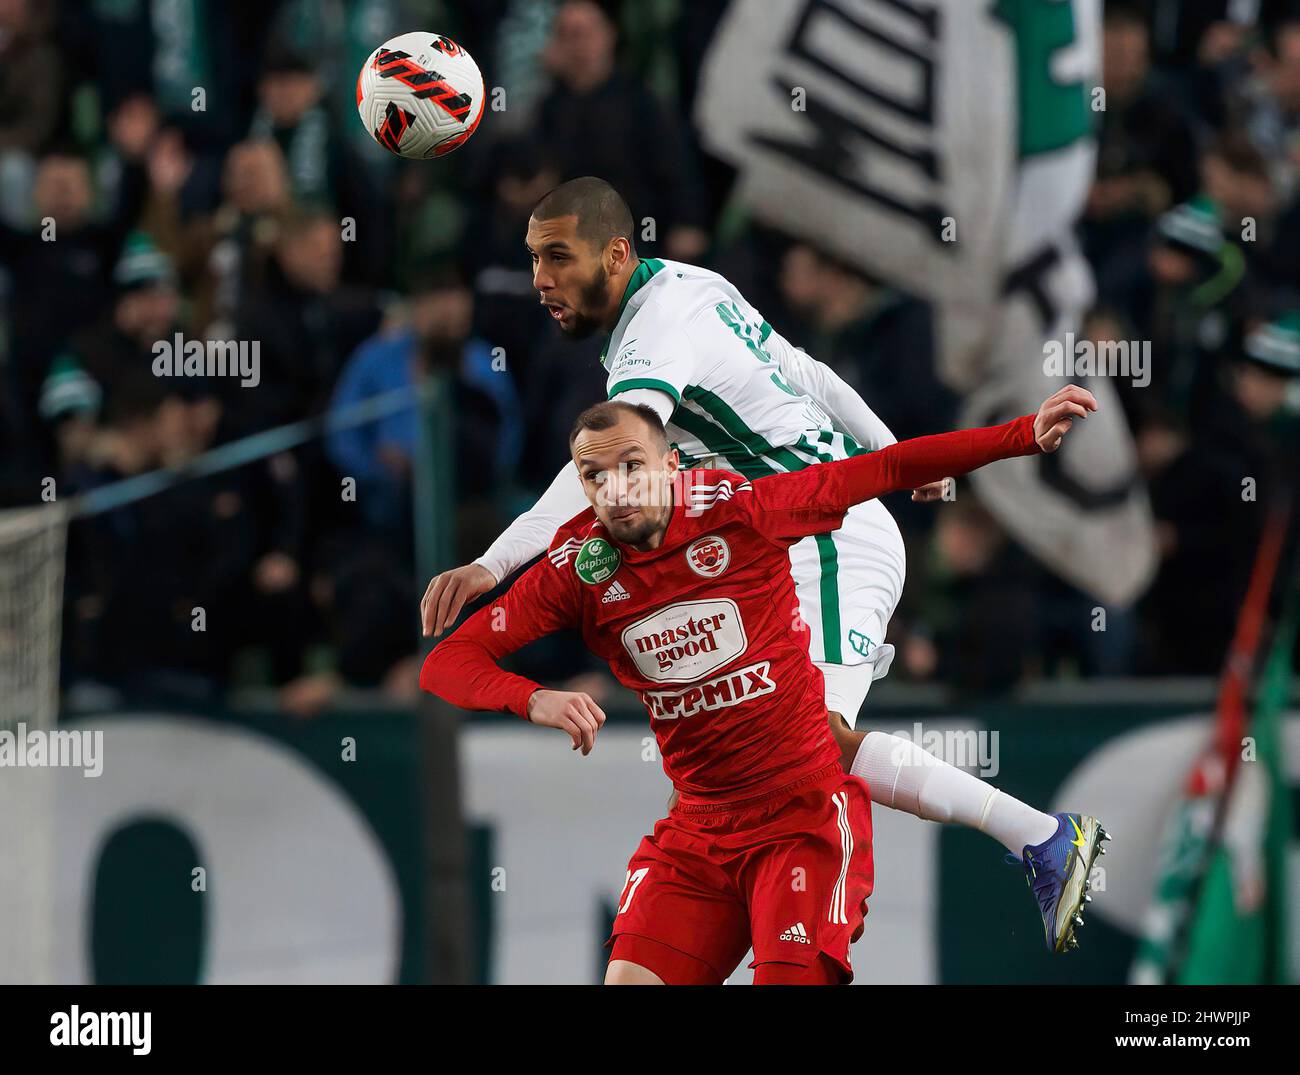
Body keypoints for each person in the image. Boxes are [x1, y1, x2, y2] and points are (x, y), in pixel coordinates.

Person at [419, 176, 1094, 912]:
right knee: (783, 749)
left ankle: (1036, 838)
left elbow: (610, 469)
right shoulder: (687, 281)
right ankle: (994, 848)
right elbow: (805, 371)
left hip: (821, 538)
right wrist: (886, 445)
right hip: (788, 537)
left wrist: (495, 561)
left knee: (817, 742)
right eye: (533, 259)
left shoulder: (651, 339)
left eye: (558, 257)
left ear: (615, 254)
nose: (541, 280)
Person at [420, 391, 1108, 984]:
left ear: (671, 465)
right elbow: (447, 662)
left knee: (833, 732)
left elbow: (888, 468)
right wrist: (533, 697)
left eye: (633, 466)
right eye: (594, 475)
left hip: (801, 821)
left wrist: (1022, 433)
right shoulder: (580, 565)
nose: (617, 488)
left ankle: (1040, 836)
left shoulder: (744, 511)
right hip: (697, 831)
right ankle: (1042, 837)